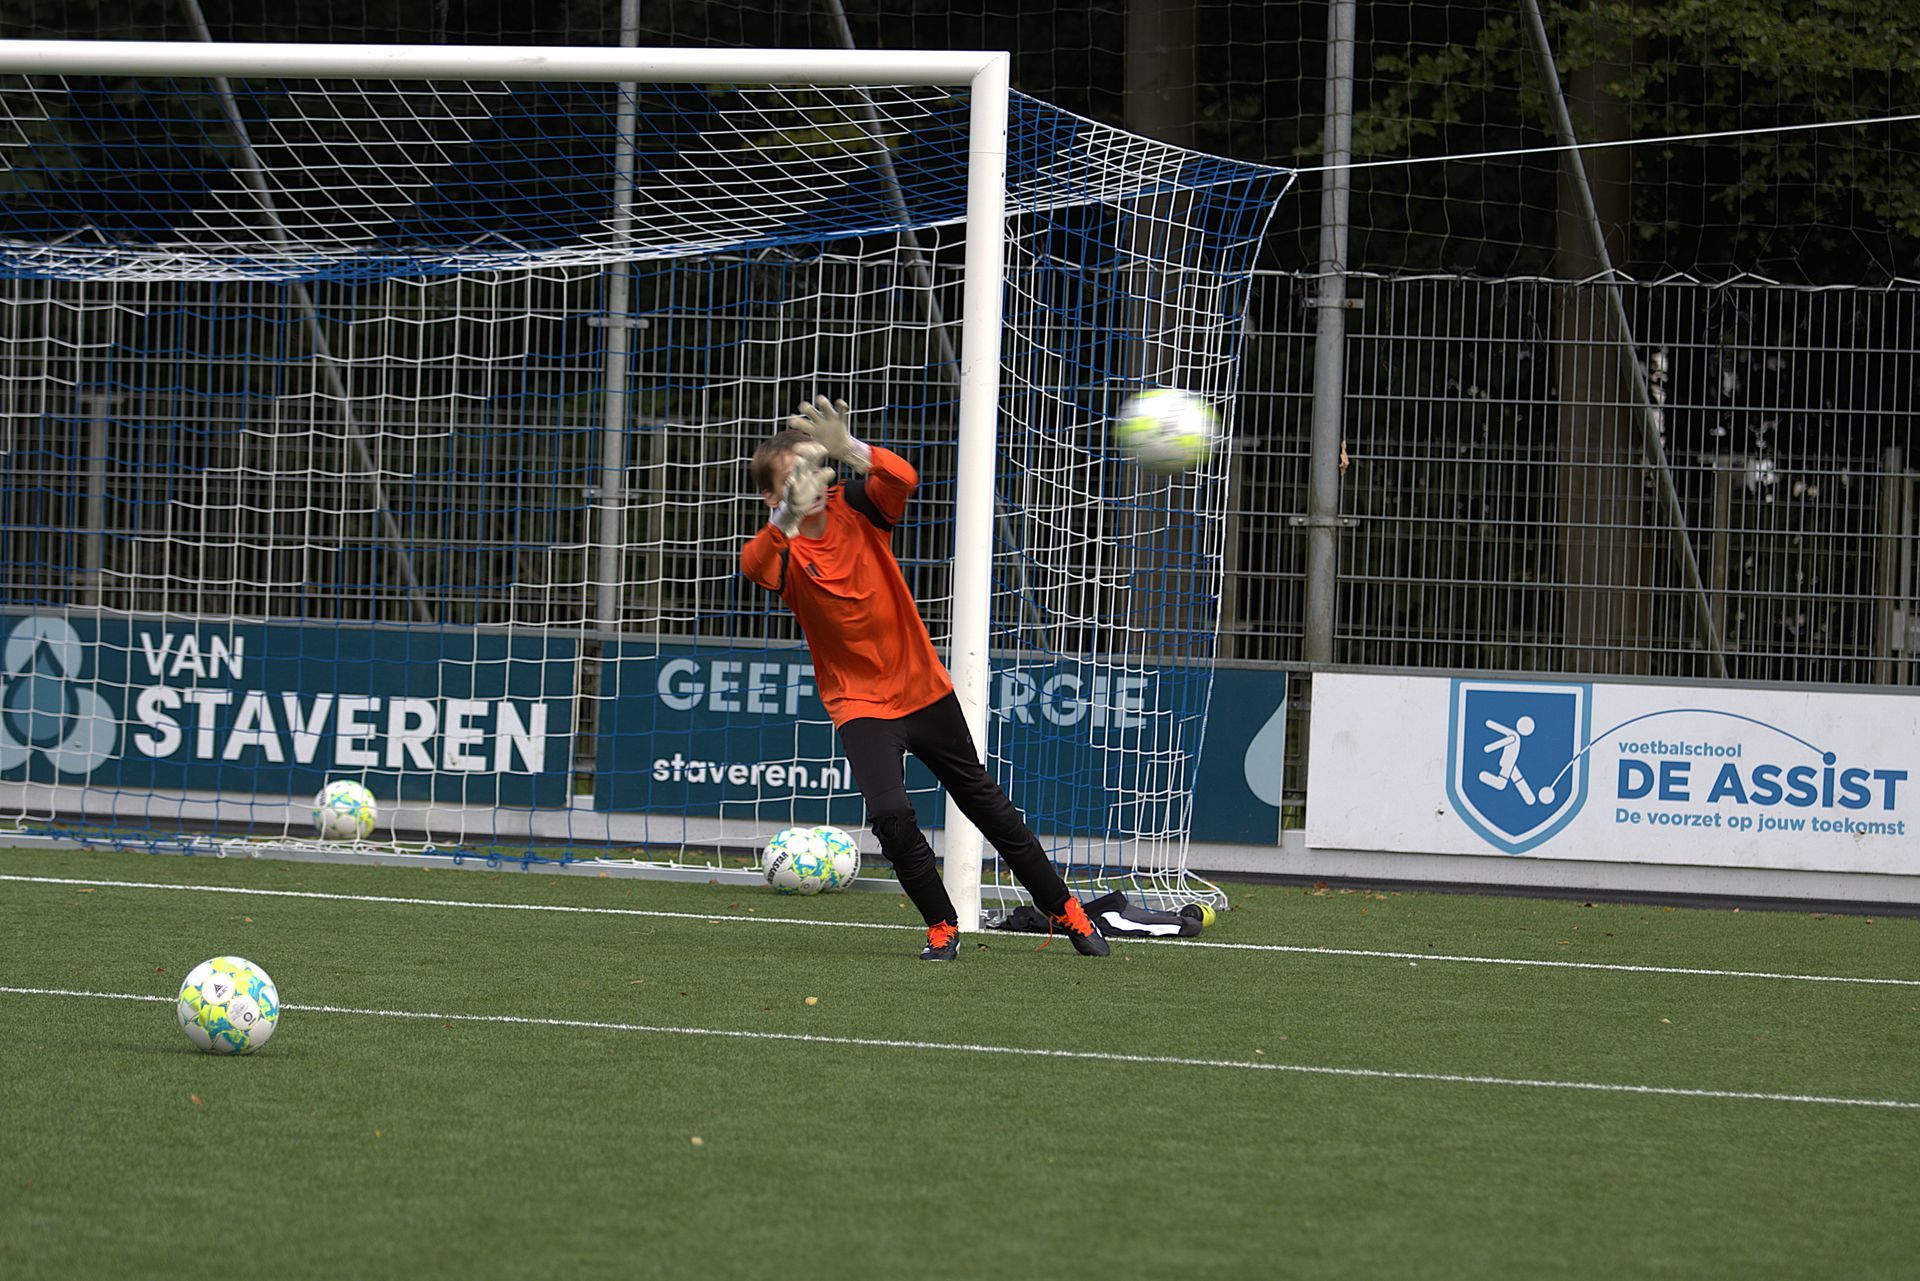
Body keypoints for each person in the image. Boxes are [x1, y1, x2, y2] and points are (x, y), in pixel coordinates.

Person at [739, 395, 1109, 961]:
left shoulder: (856, 505)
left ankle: (1065, 909)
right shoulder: (782, 549)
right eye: (793, 478)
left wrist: (851, 448)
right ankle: (942, 925)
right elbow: (754, 566)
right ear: (772, 496)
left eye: (814, 467)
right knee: (891, 817)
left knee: (986, 804)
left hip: (923, 688)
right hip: (860, 704)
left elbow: (904, 478)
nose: (809, 482)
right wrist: (785, 517)